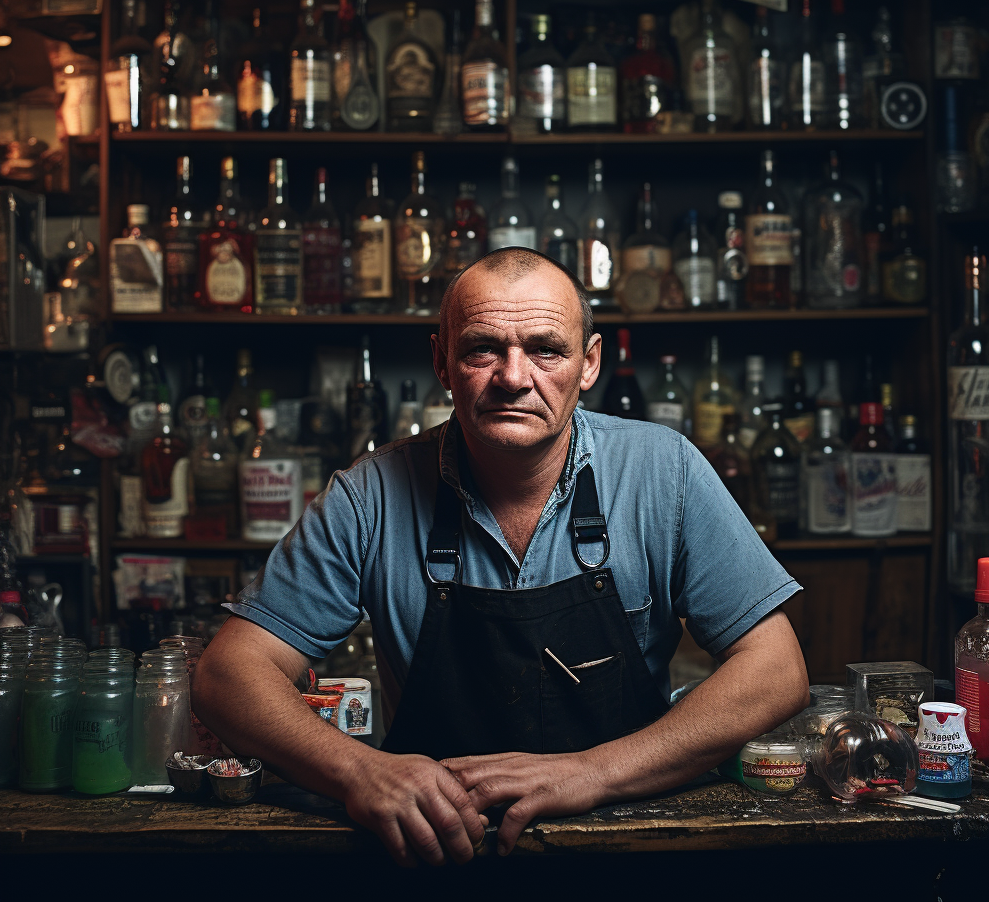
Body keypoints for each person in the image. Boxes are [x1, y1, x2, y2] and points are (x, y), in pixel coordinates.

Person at [193, 247, 809, 867]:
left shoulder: (662, 471)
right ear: (441, 360)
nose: (515, 377)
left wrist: (593, 772)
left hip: (631, 841)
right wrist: (360, 772)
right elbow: (226, 677)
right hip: (437, 850)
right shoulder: (370, 496)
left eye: (547, 349)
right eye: (482, 348)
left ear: (588, 363)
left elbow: (777, 669)